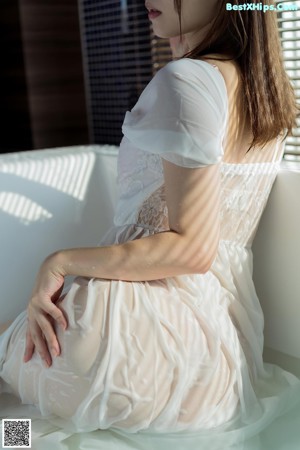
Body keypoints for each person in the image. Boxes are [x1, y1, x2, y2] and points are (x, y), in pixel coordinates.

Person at [1, 0, 300, 443]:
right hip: (215, 367)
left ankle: (12, 437)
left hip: (127, 344)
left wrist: (60, 261)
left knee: (10, 413)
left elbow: (191, 248)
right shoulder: (268, 92)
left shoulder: (187, 82)